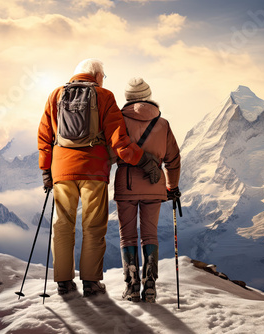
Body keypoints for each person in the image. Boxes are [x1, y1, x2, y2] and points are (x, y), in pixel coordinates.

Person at [38, 59, 161, 297]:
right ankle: (91, 283)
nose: (103, 80)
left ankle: (64, 282)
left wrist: (46, 171)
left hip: (62, 170)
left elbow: (44, 135)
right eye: (103, 76)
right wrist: (145, 160)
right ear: (96, 76)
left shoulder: (55, 95)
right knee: (93, 226)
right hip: (94, 172)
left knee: (62, 225)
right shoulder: (104, 96)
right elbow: (119, 140)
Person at [114, 77, 181, 303]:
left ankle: (131, 285)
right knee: (150, 234)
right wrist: (173, 185)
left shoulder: (118, 121)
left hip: (126, 184)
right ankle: (150, 285)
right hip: (154, 186)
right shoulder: (163, 124)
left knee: (128, 235)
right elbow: (174, 159)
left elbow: (111, 152)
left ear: (127, 97)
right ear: (148, 95)